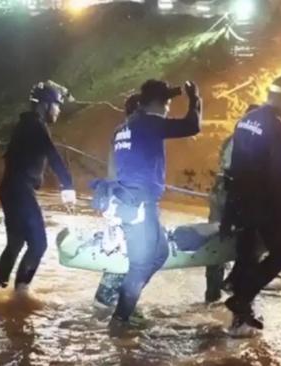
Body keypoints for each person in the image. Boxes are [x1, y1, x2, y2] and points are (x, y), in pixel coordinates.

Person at [108, 79, 202, 331]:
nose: (169, 108)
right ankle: (119, 321)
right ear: (159, 103)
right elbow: (192, 126)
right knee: (140, 265)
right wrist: (195, 99)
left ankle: (125, 300)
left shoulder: (123, 127)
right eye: (169, 103)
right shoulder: (149, 123)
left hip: (131, 201)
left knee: (159, 253)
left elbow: (113, 166)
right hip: (139, 205)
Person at [224, 75, 281, 337]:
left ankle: (239, 320)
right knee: (280, 253)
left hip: (241, 200)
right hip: (265, 203)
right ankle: (242, 298)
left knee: (247, 256)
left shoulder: (246, 120)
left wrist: (229, 207)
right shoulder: (279, 127)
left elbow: (233, 164)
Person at [0, 82, 77, 296]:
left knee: (15, 243)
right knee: (39, 244)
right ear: (44, 105)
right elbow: (53, 155)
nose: (58, 111)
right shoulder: (35, 125)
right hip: (20, 190)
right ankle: (20, 294)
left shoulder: (27, 124)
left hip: (11, 189)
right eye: (56, 105)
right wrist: (68, 186)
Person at [205, 103, 260, 304]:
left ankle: (214, 294)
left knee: (218, 241)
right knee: (242, 243)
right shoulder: (249, 141)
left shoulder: (233, 138)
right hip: (233, 196)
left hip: (223, 193)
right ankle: (233, 294)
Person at [93, 93, 141, 313]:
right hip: (125, 201)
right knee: (125, 253)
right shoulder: (136, 132)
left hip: (115, 199)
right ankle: (106, 304)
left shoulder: (120, 132)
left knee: (119, 251)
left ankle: (106, 303)